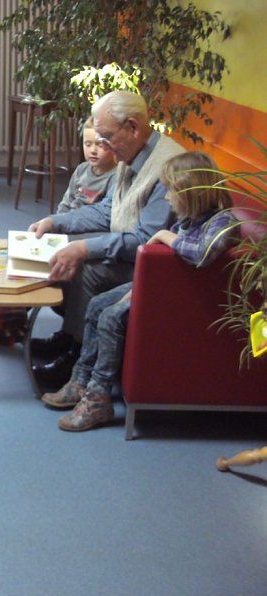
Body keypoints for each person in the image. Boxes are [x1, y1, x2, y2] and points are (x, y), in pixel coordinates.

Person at [41, 151, 238, 431]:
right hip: (165, 289)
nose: (168, 199)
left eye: (172, 192)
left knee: (110, 318)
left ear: (191, 192)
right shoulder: (189, 220)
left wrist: (162, 236)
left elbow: (201, 255)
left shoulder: (224, 223)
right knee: (97, 305)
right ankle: (80, 380)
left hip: (185, 302)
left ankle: (98, 399)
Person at [27, 91, 186, 388]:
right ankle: (68, 337)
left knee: (87, 270)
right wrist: (55, 223)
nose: (104, 145)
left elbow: (144, 240)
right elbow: (106, 211)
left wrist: (84, 248)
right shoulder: (133, 153)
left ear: (133, 127)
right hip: (137, 255)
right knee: (67, 252)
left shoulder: (167, 167)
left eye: (107, 136)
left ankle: (75, 356)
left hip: (159, 268)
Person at [55, 117, 117, 214]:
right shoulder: (81, 170)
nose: (93, 151)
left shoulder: (115, 177)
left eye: (100, 145)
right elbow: (66, 203)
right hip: (68, 222)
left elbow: (105, 215)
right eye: (88, 144)